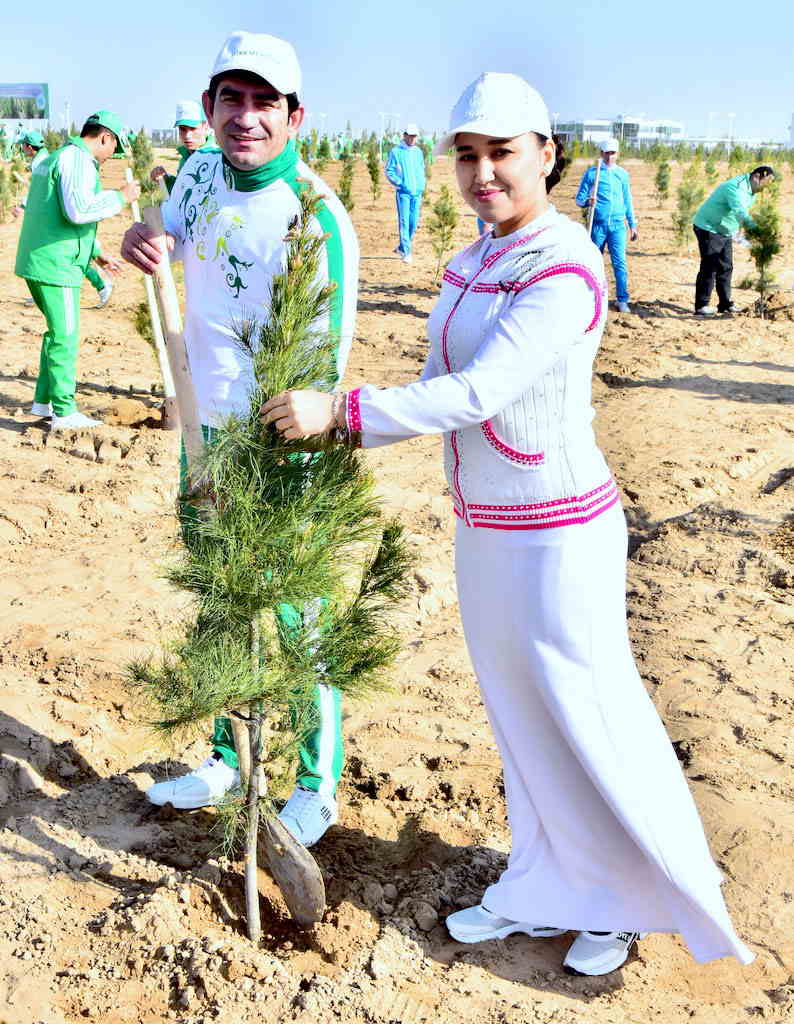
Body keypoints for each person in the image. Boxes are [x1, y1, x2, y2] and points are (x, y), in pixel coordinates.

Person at [261, 71, 754, 977]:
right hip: (485, 527)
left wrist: (348, 413)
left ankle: (624, 903)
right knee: (521, 721)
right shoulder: (479, 255)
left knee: (586, 714)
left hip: (558, 530)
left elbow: (482, 390)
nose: (484, 173)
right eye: (469, 155)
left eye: (503, 153)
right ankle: (541, 885)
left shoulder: (565, 265)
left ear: (547, 154)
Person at [121, 30, 359, 849]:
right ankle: (226, 758)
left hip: (282, 443)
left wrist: (282, 449)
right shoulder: (194, 179)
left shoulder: (317, 217)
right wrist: (142, 242)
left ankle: (316, 784)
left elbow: (325, 362)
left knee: (297, 613)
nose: (247, 117)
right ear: (209, 109)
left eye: (265, 103)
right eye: (233, 99)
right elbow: (167, 243)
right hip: (203, 429)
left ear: (296, 116)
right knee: (219, 599)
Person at [14, 112, 137, 429]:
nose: (112, 156)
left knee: (56, 333)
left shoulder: (60, 157)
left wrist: (97, 255)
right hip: (56, 265)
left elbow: (56, 215)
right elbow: (78, 211)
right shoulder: (77, 160)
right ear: (105, 137)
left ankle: (43, 403)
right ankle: (65, 411)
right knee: (65, 336)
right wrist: (120, 197)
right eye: (114, 148)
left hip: (43, 260)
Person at [14, 131, 114, 309]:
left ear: (29, 147)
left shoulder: (43, 161)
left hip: (65, 223)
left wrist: (22, 207)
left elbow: (40, 194)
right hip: (61, 221)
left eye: (24, 146)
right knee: (77, 258)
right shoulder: (46, 157)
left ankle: (101, 285)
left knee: (77, 259)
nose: (23, 149)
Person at [692, 165, 776, 316]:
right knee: (710, 266)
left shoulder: (753, 190)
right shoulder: (736, 187)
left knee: (726, 266)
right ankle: (702, 305)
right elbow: (740, 212)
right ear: (757, 176)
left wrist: (741, 236)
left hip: (725, 230)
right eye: (766, 182)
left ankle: (725, 304)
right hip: (708, 227)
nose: (766, 187)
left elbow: (739, 214)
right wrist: (757, 231)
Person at [575, 137, 637, 313]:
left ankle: (622, 299)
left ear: (618, 154)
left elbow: (627, 200)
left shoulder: (622, 174)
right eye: (607, 153)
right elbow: (579, 200)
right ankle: (591, 296)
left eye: (613, 153)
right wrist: (588, 201)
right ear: (601, 153)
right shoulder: (592, 174)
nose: (610, 156)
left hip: (618, 226)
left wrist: (632, 224)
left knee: (620, 263)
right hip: (598, 226)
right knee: (594, 262)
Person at [150, 100, 216, 194]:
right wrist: (166, 180)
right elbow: (182, 194)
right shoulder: (186, 157)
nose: (187, 136)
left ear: (205, 126)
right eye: (182, 129)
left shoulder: (215, 157)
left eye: (193, 129)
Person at [385, 122, 426, 264]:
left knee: (413, 223)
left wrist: (422, 184)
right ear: (405, 135)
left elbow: (421, 169)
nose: (413, 139)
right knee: (404, 221)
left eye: (415, 136)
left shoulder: (418, 152)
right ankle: (407, 252)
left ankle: (402, 246)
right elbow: (389, 171)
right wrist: (400, 183)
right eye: (410, 136)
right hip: (403, 193)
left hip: (417, 193)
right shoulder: (396, 152)